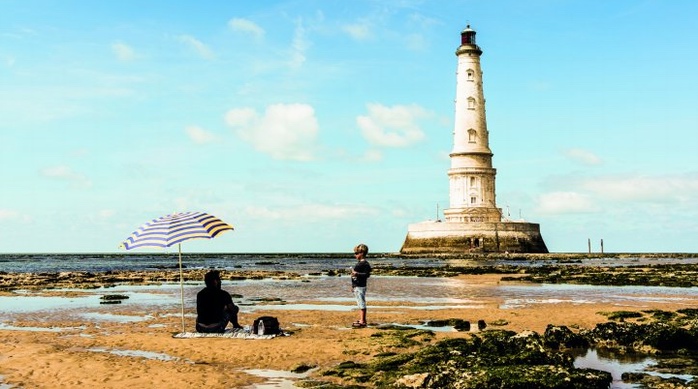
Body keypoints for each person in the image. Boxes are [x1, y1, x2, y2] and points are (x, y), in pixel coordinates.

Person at [350, 243, 371, 328]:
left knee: (361, 303)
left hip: (361, 286)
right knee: (359, 302)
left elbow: (367, 274)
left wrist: (357, 273)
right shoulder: (360, 263)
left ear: (362, 253)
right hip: (357, 285)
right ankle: (362, 319)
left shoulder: (365, 264)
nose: (355, 255)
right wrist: (353, 285)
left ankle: (363, 320)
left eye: (356, 253)